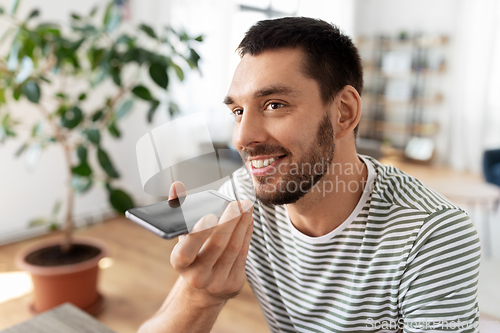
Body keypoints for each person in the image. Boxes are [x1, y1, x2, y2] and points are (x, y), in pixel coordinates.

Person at [138, 17, 481, 333]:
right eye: (238, 111)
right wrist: (201, 296)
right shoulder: (243, 197)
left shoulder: (432, 234)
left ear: (344, 112)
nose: (242, 137)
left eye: (274, 104)